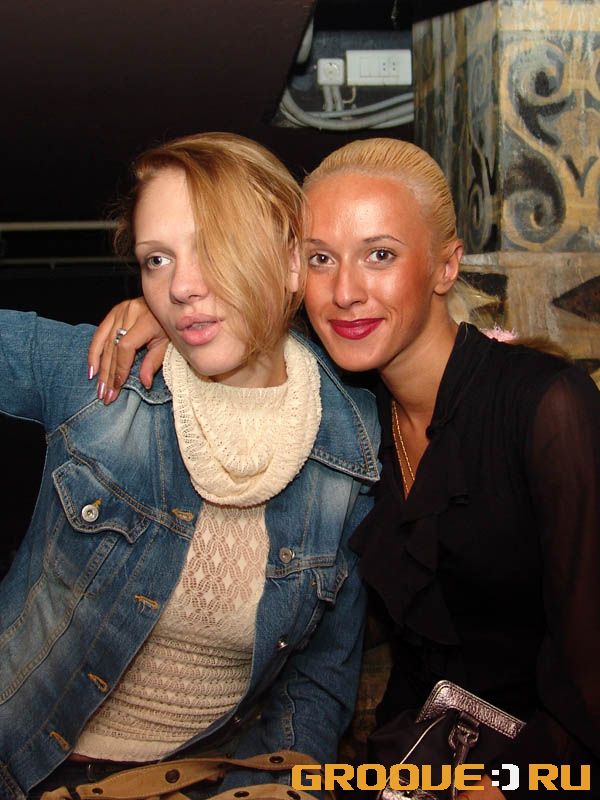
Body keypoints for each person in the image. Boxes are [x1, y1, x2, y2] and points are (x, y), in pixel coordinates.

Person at [90, 137, 600, 799]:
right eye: (320, 259)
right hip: (407, 764)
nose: (346, 292)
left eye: (379, 255)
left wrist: (510, 783)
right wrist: (165, 316)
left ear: (446, 266)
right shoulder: (345, 416)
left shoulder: (547, 406)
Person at [0, 132, 381, 800]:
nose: (179, 287)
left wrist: (283, 785)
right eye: (157, 259)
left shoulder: (352, 442)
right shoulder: (105, 377)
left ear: (292, 263)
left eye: (212, 247)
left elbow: (320, 672)